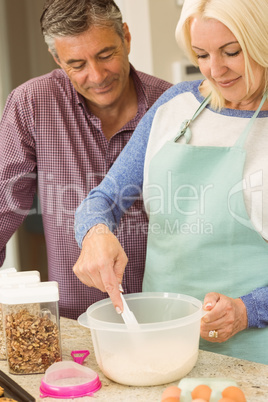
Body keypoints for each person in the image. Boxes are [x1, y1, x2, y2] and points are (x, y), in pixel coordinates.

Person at [74, 0, 268, 364]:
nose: (215, 70)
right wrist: (94, 231)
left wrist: (247, 310)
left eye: (231, 51)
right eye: (202, 55)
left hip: (257, 358)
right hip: (161, 349)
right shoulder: (175, 105)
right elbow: (104, 199)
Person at [0, 0, 172, 319]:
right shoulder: (31, 105)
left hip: (165, 313)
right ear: (57, 59)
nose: (96, 76)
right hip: (75, 318)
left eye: (105, 55)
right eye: (77, 64)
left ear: (126, 37)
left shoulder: (172, 106)